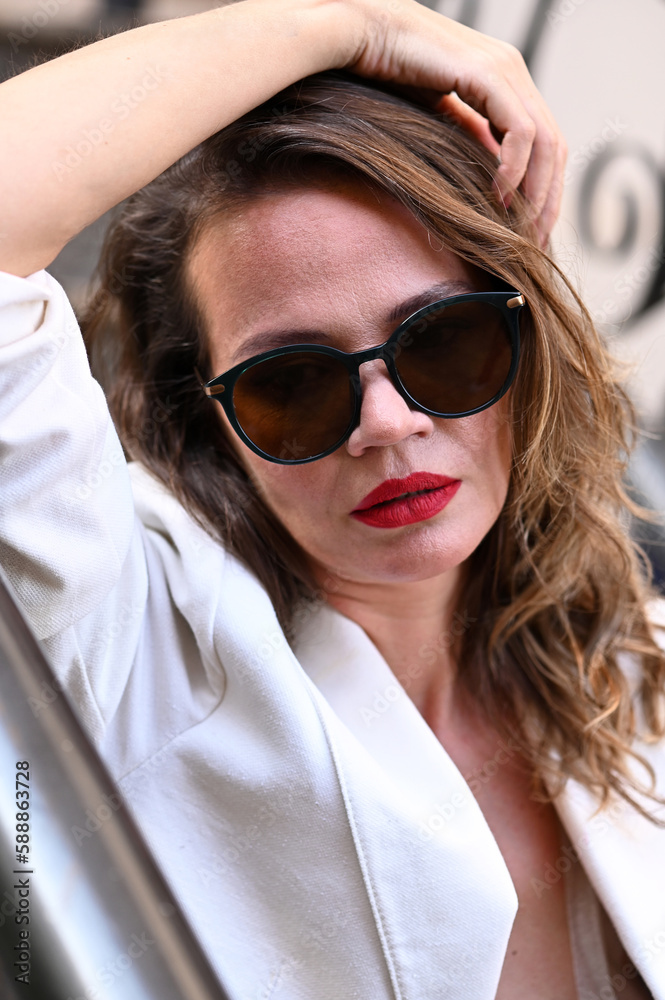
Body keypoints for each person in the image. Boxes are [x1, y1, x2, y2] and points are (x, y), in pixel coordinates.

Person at [1, 2, 664, 998]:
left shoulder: (636, 671)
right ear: (207, 421)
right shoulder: (135, 653)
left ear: (526, 338)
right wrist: (351, 24)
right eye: (293, 386)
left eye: (442, 341)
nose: (387, 423)